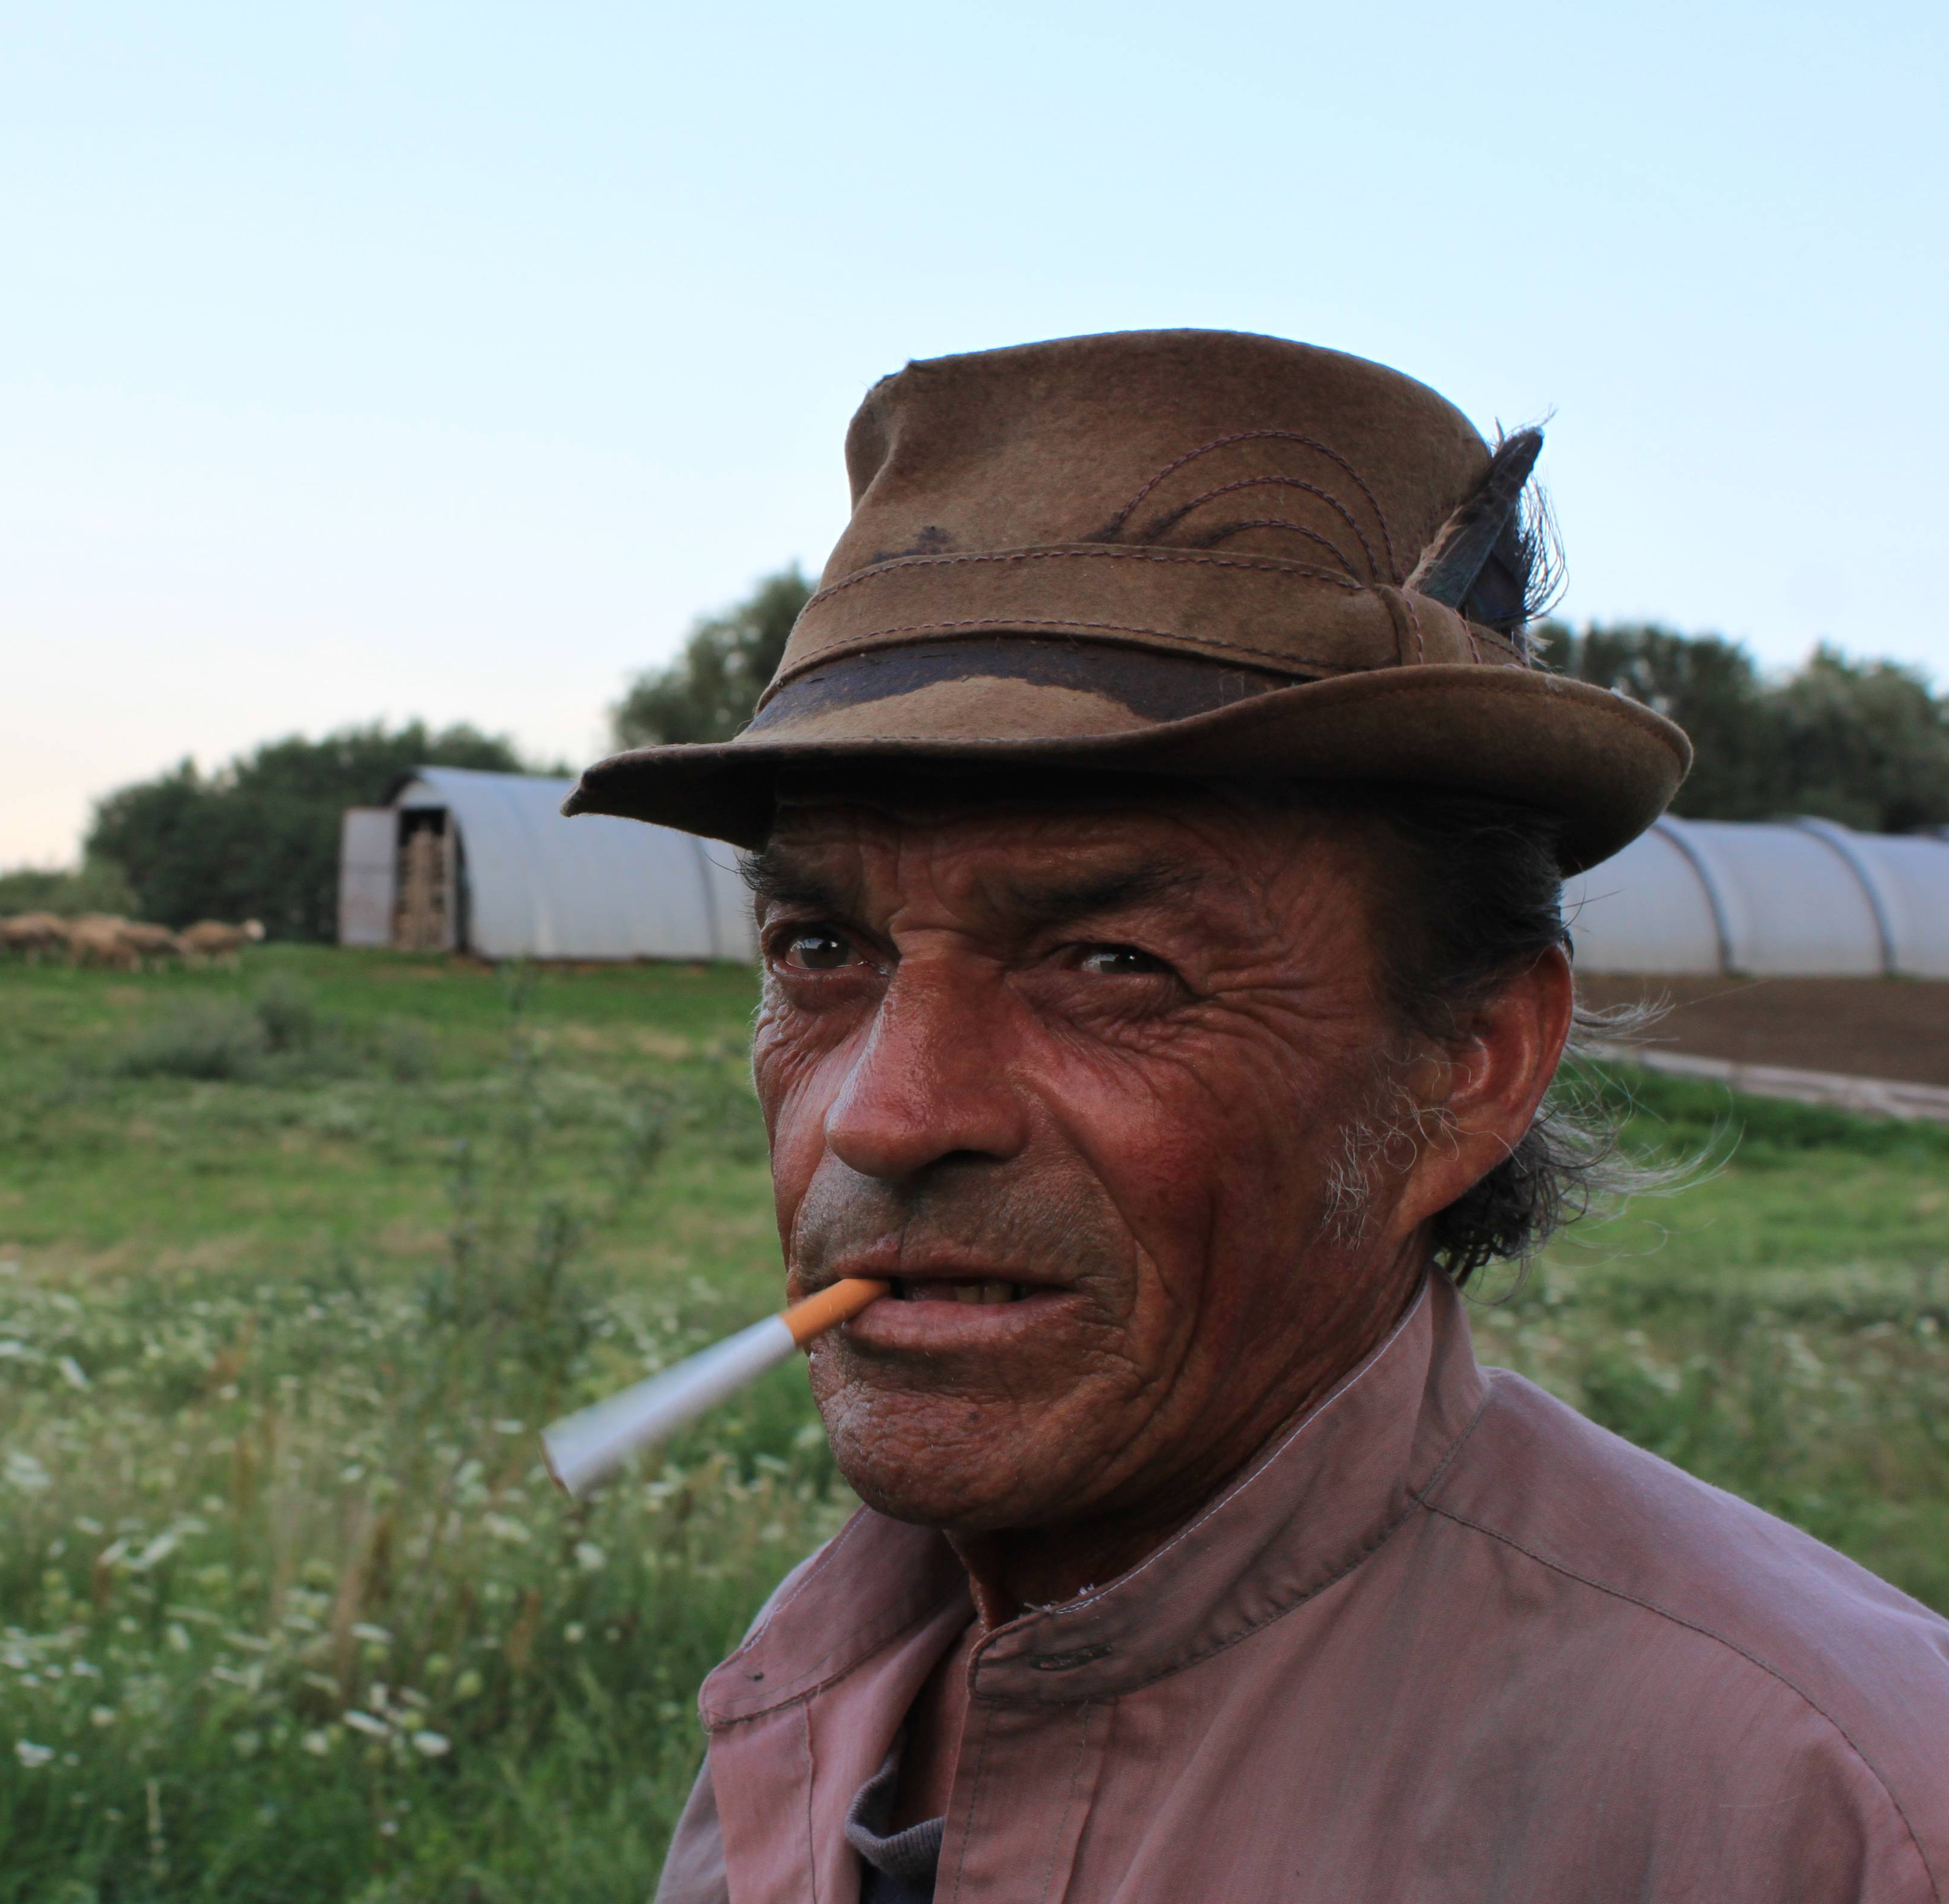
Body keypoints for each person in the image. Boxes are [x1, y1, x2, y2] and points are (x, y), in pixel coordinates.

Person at [566, 331, 1949, 1902]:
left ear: (1468, 1063)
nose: (884, 1118)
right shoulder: (814, 1682)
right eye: (822, 951)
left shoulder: (1831, 1814)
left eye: (1114, 963)